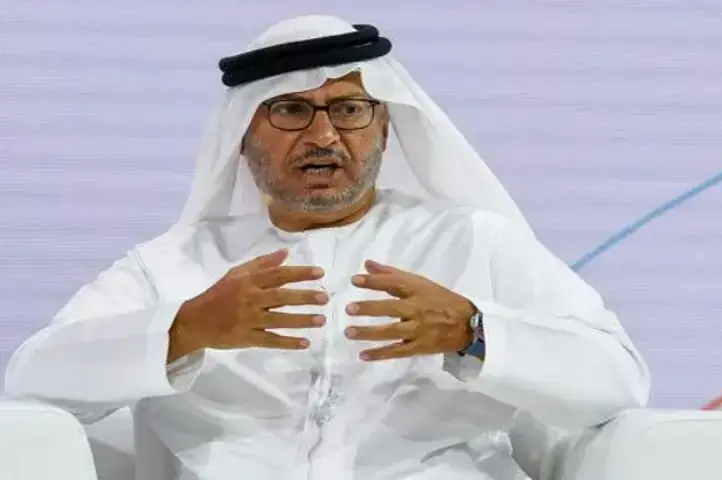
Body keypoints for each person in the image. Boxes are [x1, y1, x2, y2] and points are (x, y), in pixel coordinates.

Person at [4, 15, 650, 480]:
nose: (323, 136)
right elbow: (32, 379)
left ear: (384, 127)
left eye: (348, 110)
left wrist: (473, 332)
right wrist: (187, 328)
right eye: (290, 110)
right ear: (242, 134)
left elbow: (619, 381)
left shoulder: (471, 240)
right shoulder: (174, 265)